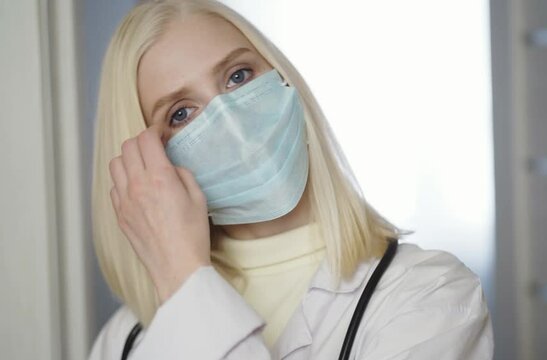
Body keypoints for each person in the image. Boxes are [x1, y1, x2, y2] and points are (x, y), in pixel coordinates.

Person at [88, 0, 493, 359]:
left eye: (238, 76)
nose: (230, 121)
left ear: (285, 79)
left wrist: (186, 284)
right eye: (181, 114)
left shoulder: (429, 296)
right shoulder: (126, 342)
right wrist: (184, 282)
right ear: (147, 169)